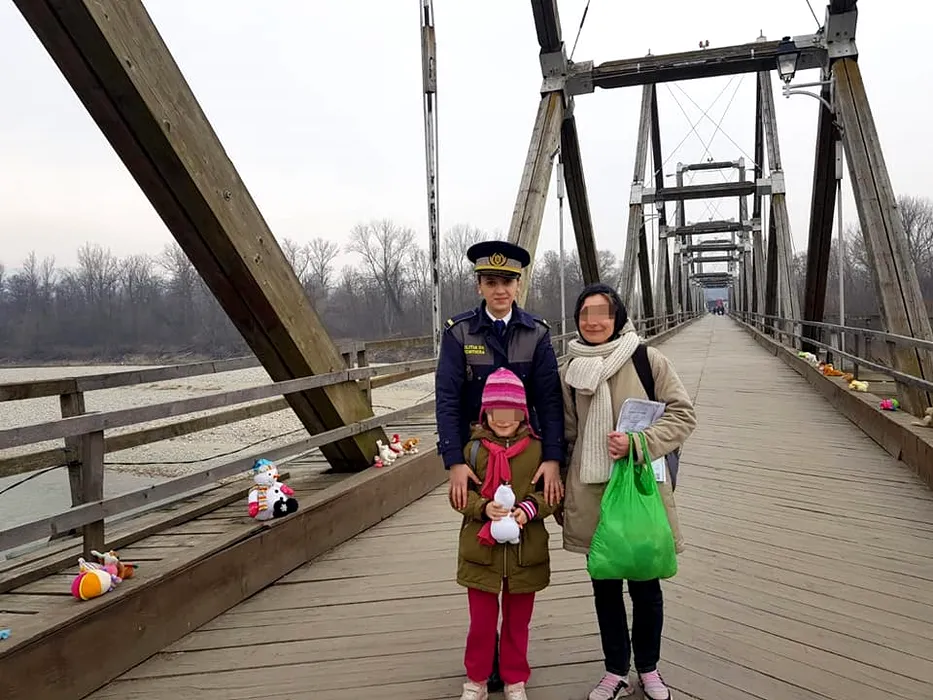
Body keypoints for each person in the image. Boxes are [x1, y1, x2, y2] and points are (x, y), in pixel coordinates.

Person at [436, 240, 565, 693]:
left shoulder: (537, 333)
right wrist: (454, 461)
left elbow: (550, 400)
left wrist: (553, 458)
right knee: (485, 556)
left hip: (527, 454)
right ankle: (483, 667)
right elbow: (447, 399)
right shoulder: (459, 333)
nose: (500, 289)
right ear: (479, 285)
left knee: (518, 565)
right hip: (478, 457)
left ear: (518, 284)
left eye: (507, 281)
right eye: (490, 281)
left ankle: (509, 669)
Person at [559, 283, 697, 700]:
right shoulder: (569, 370)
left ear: (617, 317)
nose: (593, 321)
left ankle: (649, 669)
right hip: (591, 491)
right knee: (604, 586)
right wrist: (562, 494)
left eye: (602, 312)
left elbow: (683, 415)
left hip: (639, 486)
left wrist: (639, 443)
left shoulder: (646, 359)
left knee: (645, 583)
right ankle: (615, 670)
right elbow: (568, 435)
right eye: (585, 313)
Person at [451, 368, 557, 700]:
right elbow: (459, 497)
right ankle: (476, 680)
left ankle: (514, 679)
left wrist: (529, 508)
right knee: (481, 624)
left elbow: (552, 494)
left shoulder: (538, 450)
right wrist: (482, 507)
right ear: (485, 412)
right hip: (480, 553)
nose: (503, 420)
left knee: (517, 623)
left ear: (523, 413)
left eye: (511, 412)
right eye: (496, 412)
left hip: (526, 553)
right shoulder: (472, 450)